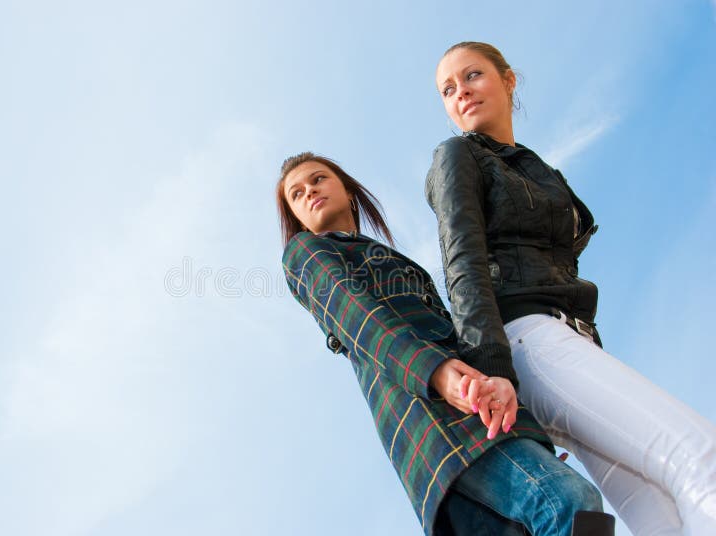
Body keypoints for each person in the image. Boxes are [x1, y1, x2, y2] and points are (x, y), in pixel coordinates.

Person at [425, 41, 716, 535]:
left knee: (663, 513)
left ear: (508, 79)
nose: (461, 93)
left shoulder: (533, 169)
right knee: (697, 457)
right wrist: (497, 374)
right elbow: (463, 264)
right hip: (528, 341)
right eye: (448, 89)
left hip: (569, 341)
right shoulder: (456, 156)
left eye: (472, 75)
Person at [277, 151, 612, 535]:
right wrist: (434, 373)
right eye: (297, 194)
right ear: (296, 218)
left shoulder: (396, 260)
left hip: (474, 410)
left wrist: (524, 431)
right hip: (432, 417)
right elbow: (360, 321)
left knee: (556, 509)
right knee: (566, 502)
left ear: (348, 190)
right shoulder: (305, 253)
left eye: (318, 179)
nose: (310, 192)